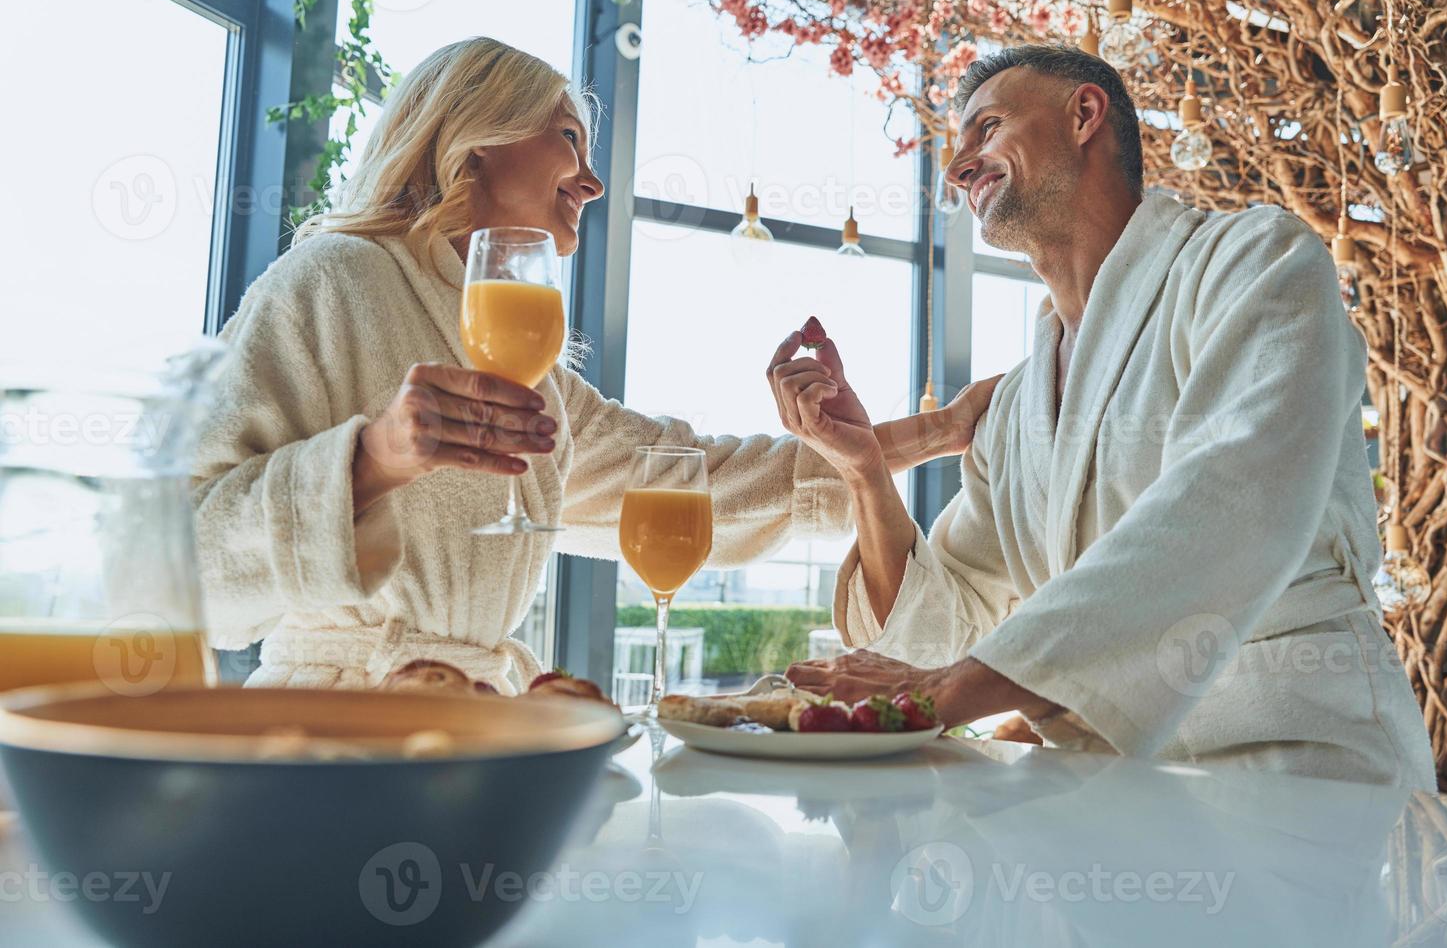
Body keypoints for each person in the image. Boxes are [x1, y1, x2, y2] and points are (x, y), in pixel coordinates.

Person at [192, 37, 984, 693]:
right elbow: (184, 554)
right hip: (332, 723)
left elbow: (689, 479)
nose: (595, 181)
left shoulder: (527, 372)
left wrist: (937, 432)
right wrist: (371, 462)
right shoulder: (332, 277)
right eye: (569, 138)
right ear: (475, 136)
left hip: (477, 722)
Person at [774, 45, 1435, 790]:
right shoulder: (1020, 403)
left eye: (985, 129)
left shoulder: (1254, 262)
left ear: (1085, 114)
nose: (959, 167)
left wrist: (955, 691)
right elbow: (943, 627)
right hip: (1116, 798)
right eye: (956, 150)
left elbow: (1239, 495)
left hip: (1298, 764)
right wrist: (865, 474)